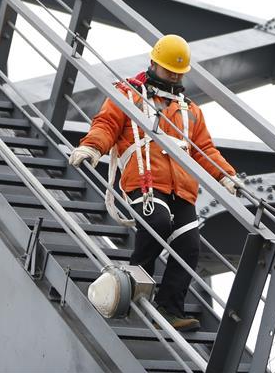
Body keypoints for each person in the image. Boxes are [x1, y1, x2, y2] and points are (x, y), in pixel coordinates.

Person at [69, 34, 238, 331]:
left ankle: (170, 310)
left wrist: (226, 175)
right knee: (157, 223)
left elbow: (204, 151)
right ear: (153, 65)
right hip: (145, 183)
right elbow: (107, 124)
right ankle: (135, 285)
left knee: (189, 247)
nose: (172, 75)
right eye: (167, 69)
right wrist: (92, 147)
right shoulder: (129, 94)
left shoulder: (191, 111)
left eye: (177, 71)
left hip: (182, 190)